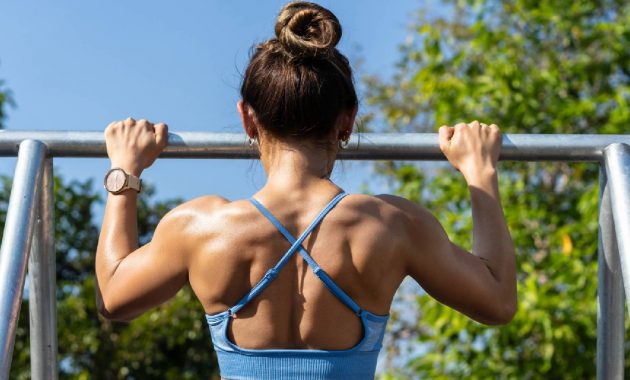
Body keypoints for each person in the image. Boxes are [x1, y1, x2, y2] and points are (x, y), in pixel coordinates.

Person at [95, 2, 516, 379]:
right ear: (348, 120)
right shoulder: (394, 225)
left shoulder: (201, 227)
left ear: (247, 118)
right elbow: (497, 303)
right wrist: (480, 173)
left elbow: (114, 298)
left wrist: (125, 172)